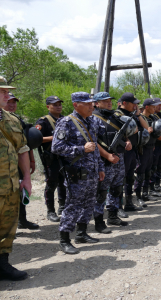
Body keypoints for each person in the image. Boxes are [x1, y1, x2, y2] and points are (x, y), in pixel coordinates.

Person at [0, 76, 31, 297]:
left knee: (6, 229)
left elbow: (22, 149)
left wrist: (27, 179)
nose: (7, 95)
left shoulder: (11, 119)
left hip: (12, 186)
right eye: (2, 92)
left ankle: (2, 266)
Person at [51, 92, 106, 255]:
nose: (91, 106)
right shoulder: (66, 122)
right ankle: (65, 239)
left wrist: (101, 167)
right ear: (76, 105)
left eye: (91, 103)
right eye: (87, 104)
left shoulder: (93, 121)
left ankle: (82, 233)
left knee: (89, 203)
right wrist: (81, 149)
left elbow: (95, 146)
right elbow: (56, 147)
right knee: (73, 205)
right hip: (77, 173)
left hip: (93, 171)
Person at [92, 92, 133, 232]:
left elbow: (124, 133)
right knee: (102, 191)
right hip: (103, 160)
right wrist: (108, 156)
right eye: (105, 101)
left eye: (110, 100)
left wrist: (127, 142)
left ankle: (113, 216)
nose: (109, 103)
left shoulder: (115, 117)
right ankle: (98, 220)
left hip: (119, 157)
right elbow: (93, 142)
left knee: (117, 188)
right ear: (97, 103)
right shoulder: (93, 119)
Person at [3, 93, 40, 230]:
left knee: (21, 190)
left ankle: (22, 220)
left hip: (17, 161)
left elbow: (25, 143)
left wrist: (31, 159)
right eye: (9, 101)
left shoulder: (17, 120)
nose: (12, 104)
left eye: (14, 102)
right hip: (1, 164)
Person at [115, 93, 150, 212]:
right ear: (124, 103)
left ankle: (129, 203)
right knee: (120, 179)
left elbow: (146, 128)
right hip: (122, 151)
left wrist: (138, 114)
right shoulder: (117, 115)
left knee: (130, 178)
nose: (136, 105)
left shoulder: (132, 114)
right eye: (133, 103)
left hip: (133, 150)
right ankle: (118, 206)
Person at [36, 96, 66, 223]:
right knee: (51, 184)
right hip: (51, 158)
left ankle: (63, 207)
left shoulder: (65, 119)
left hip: (64, 157)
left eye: (59, 104)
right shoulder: (43, 121)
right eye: (55, 104)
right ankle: (51, 211)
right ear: (48, 106)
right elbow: (37, 139)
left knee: (64, 182)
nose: (58, 106)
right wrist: (53, 139)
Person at [149, 98, 161, 197]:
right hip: (155, 145)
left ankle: (157, 185)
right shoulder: (152, 117)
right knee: (153, 167)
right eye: (158, 105)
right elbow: (155, 133)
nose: (159, 107)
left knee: (159, 166)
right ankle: (151, 187)